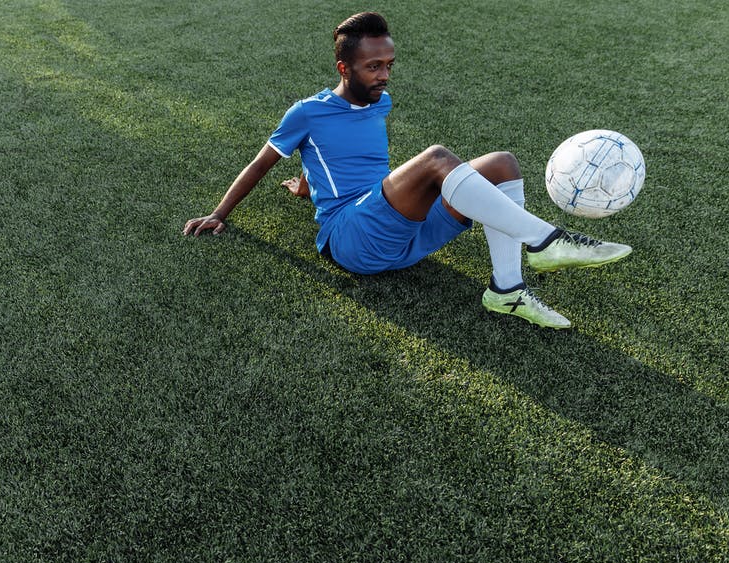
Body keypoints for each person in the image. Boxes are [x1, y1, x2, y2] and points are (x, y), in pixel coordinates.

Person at [181, 12, 632, 329]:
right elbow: (261, 164)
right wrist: (220, 214)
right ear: (344, 67)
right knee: (436, 158)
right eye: (373, 66)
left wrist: (307, 186)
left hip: (406, 236)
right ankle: (546, 240)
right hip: (352, 241)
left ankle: (507, 290)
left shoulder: (381, 103)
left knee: (502, 164)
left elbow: (339, 158)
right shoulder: (306, 113)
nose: (384, 76)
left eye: (389, 66)